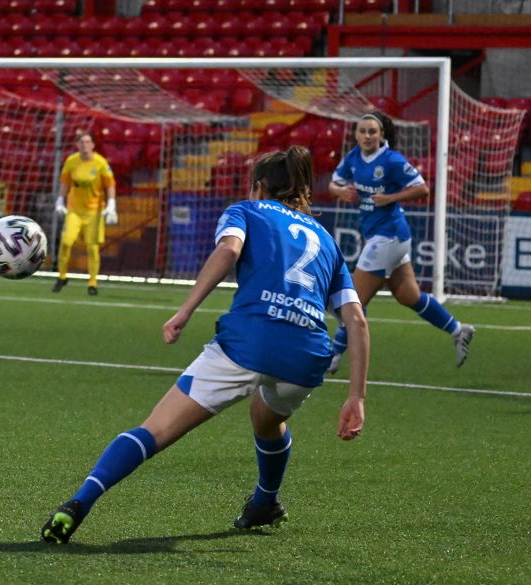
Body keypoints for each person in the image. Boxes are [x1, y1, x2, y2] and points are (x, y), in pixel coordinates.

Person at [40, 146, 369, 543]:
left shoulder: (247, 210)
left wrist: (184, 311)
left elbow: (229, 250)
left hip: (247, 343)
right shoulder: (328, 241)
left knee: (155, 430)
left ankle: (77, 504)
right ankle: (266, 501)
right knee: (267, 419)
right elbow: (356, 320)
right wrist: (356, 396)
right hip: (305, 356)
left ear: (260, 187)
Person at [326, 112, 474, 374]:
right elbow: (333, 184)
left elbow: (422, 188)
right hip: (380, 236)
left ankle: (333, 356)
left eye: (373, 131)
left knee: (354, 299)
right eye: (363, 131)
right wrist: (341, 191)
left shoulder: (392, 160)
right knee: (409, 295)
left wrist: (391, 197)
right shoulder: (353, 157)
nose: (368, 136)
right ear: (356, 135)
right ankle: (457, 329)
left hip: (390, 235)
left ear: (382, 134)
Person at [52, 132, 117, 296]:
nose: (85, 145)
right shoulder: (71, 161)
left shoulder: (100, 163)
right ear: (77, 145)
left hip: (94, 211)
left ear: (93, 145)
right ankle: (62, 276)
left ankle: (92, 282)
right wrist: (60, 200)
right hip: (74, 210)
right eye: (82, 142)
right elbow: (65, 182)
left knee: (92, 248)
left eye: (88, 142)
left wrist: (111, 204)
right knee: (66, 242)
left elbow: (110, 184)